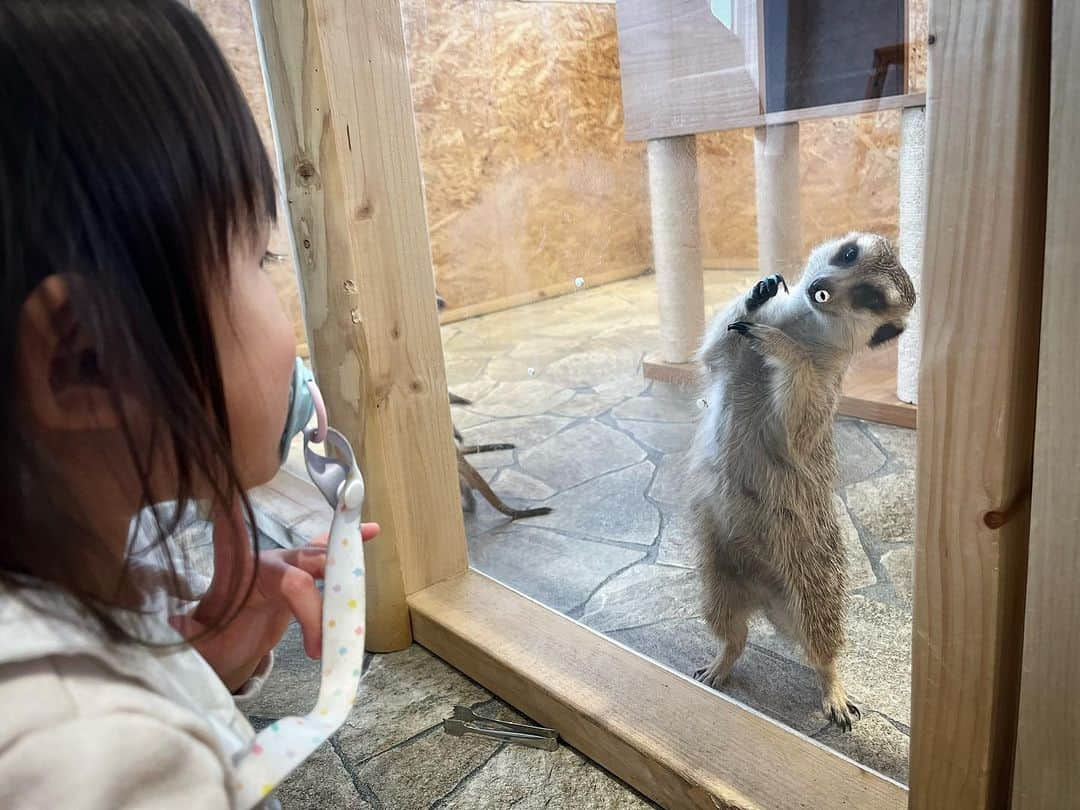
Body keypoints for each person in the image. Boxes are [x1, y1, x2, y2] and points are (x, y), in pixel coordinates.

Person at [0, 2, 377, 806]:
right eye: (262, 258)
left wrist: (186, 671)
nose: (287, 324)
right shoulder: (88, 757)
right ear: (87, 358)